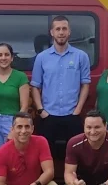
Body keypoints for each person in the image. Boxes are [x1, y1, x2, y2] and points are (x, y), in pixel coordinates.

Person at [31, 15, 91, 160]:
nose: (61, 32)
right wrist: (41, 110)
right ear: (52, 32)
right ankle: (48, 182)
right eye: (57, 29)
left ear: (69, 31)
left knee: (76, 156)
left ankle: (73, 183)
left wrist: (78, 109)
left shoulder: (81, 56)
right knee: (46, 156)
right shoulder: (42, 57)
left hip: (72, 114)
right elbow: (35, 86)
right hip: (48, 115)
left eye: (64, 28)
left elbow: (85, 85)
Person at [0, 42, 30, 167]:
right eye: (0, 55)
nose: (3, 58)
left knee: (12, 160)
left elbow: (24, 106)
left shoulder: (20, 77)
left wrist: (15, 127)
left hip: (12, 121)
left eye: (6, 55)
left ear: (12, 57)